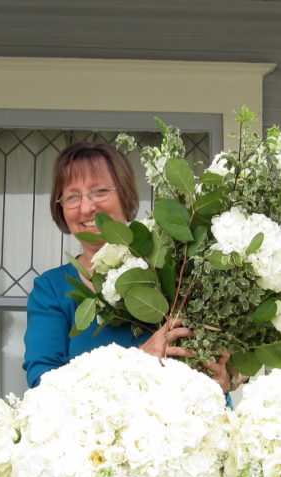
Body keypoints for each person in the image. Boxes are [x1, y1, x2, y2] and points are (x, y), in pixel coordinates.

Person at [21, 141, 237, 394]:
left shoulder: (179, 269)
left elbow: (231, 360)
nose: (86, 207)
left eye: (99, 191)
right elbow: (42, 381)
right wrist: (139, 360)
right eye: (72, 196)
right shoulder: (53, 290)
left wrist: (226, 379)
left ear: (124, 194)